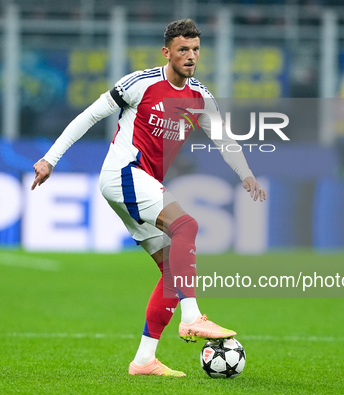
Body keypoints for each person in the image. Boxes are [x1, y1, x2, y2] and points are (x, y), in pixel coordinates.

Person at [31, 19, 266, 377]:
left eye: (196, 50)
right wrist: (50, 159)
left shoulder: (200, 97)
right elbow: (90, 115)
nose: (191, 56)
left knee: (172, 270)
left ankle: (144, 360)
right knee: (187, 225)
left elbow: (224, 140)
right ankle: (191, 319)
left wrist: (246, 174)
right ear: (167, 51)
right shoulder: (140, 84)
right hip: (123, 173)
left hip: (140, 182)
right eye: (183, 49)